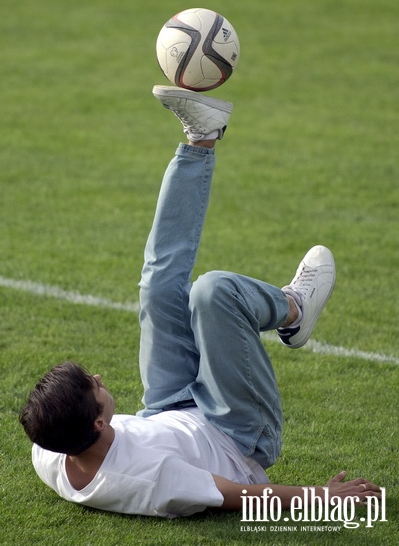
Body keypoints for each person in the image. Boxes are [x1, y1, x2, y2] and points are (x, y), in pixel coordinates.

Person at [20, 86, 381, 518]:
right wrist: (322, 497)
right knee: (214, 292)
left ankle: (201, 136)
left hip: (165, 408)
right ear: (98, 423)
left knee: (157, 285)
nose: (98, 377)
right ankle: (294, 309)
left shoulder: (49, 447)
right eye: (94, 386)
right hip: (235, 434)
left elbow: (66, 432)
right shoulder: (149, 479)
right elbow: (236, 494)